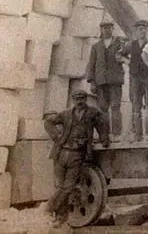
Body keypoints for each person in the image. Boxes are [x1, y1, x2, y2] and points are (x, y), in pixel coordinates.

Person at [43, 90, 110, 228]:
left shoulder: (92, 113)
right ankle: (60, 219)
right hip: (60, 154)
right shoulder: (66, 113)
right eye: (77, 98)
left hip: (77, 155)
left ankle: (49, 208)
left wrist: (104, 138)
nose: (79, 101)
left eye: (82, 98)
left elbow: (103, 122)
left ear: (85, 99)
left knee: (68, 187)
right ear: (73, 100)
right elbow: (48, 122)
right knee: (60, 187)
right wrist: (56, 136)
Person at [86, 21, 124, 143]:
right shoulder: (96, 47)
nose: (106, 30)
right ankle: (104, 134)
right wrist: (91, 82)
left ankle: (117, 134)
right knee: (102, 108)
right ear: (101, 30)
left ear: (113, 29)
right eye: (104, 28)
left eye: (109, 28)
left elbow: (127, 55)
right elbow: (91, 64)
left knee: (115, 106)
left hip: (115, 80)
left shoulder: (119, 43)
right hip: (101, 81)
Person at [120, 20, 148, 142]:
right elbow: (118, 55)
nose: (142, 31)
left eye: (144, 29)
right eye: (140, 29)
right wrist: (128, 62)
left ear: (147, 30)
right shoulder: (131, 44)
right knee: (136, 105)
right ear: (136, 31)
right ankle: (137, 134)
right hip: (135, 77)